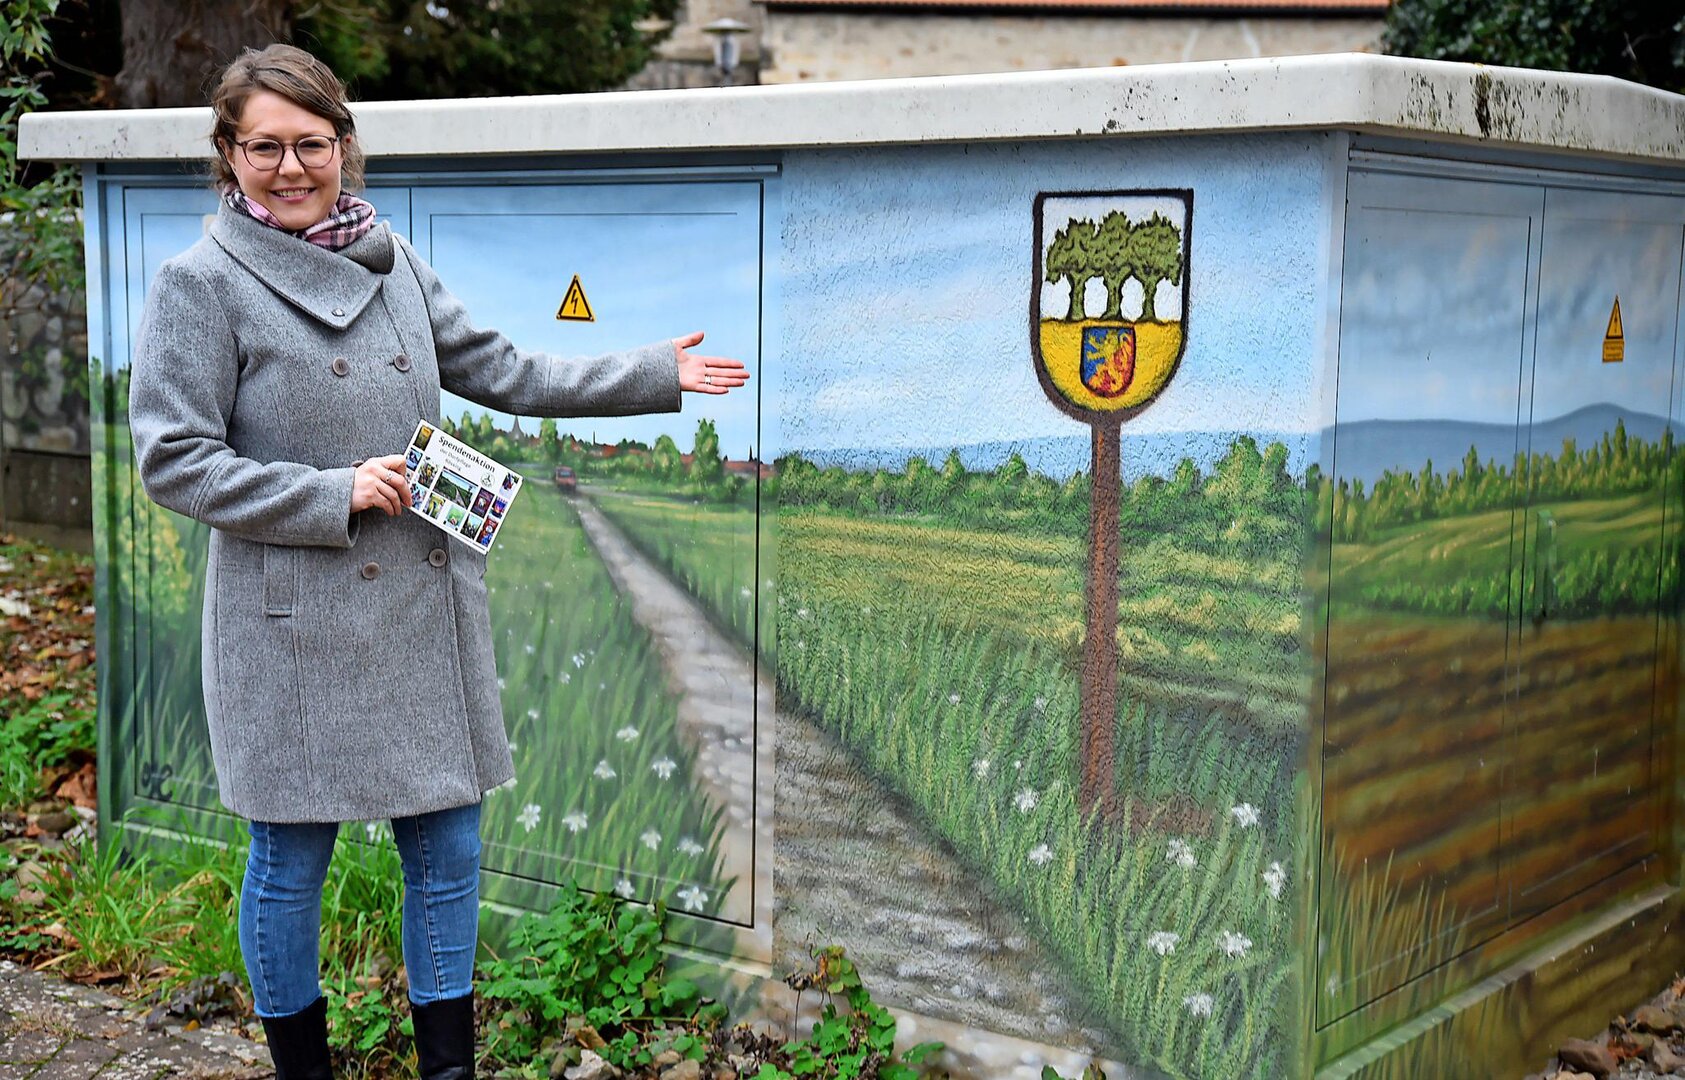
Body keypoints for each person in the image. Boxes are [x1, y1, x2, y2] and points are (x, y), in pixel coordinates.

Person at [127, 43, 748, 1080]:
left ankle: (447, 1071)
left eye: (311, 143)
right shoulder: (199, 285)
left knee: (449, 853)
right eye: (265, 147)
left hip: (420, 608)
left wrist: (652, 373)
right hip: (289, 625)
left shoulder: (391, 260)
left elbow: (503, 368)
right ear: (227, 154)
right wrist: (331, 491)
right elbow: (174, 460)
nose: (291, 168)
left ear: (344, 144)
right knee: (290, 861)